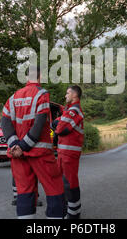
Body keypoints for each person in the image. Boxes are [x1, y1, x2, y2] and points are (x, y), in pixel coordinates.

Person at [1, 65, 65, 219]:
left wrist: (15, 145)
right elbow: (39, 124)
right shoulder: (41, 94)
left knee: (24, 192)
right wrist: (23, 146)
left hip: (18, 155)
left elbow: (5, 123)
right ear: (40, 76)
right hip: (39, 153)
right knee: (54, 188)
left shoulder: (13, 97)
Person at [53, 85, 84, 219]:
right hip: (62, 152)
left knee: (70, 183)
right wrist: (56, 124)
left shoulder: (74, 111)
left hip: (69, 154)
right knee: (62, 183)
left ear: (74, 95)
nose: (65, 96)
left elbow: (60, 129)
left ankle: (74, 214)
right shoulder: (68, 110)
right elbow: (55, 124)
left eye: (67, 93)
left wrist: (56, 125)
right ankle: (66, 209)